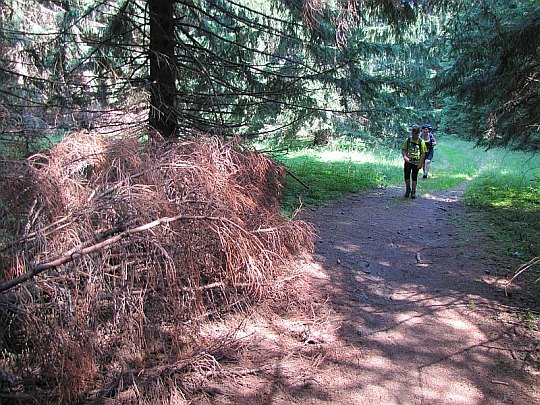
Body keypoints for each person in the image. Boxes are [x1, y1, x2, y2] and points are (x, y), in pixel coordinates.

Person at [401, 124, 426, 199]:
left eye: (416, 134)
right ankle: (408, 189)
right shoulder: (408, 140)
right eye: (413, 133)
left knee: (414, 177)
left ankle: (413, 191)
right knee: (406, 176)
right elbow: (403, 150)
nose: (414, 135)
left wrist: (421, 163)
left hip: (416, 162)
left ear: (419, 133)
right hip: (408, 161)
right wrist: (405, 156)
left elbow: (423, 153)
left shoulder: (421, 142)